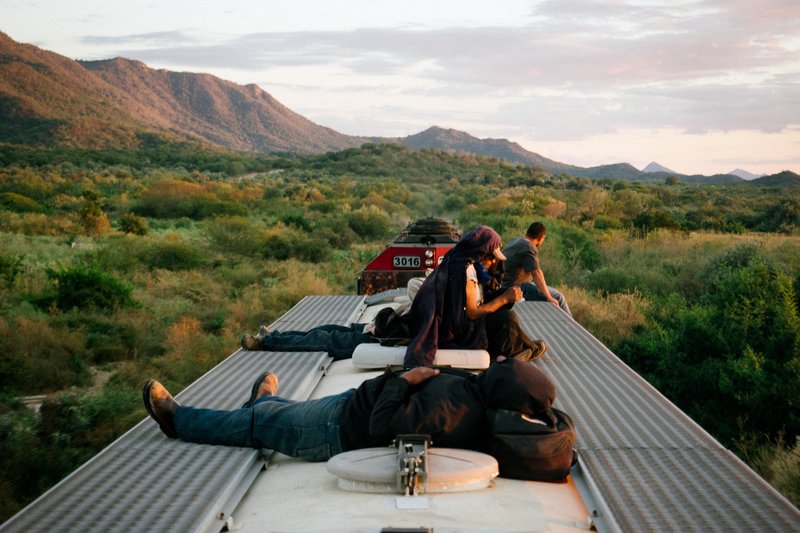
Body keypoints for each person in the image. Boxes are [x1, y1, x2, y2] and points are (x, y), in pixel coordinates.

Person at [142, 356, 557, 461]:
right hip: (348, 406)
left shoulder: (452, 411)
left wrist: (404, 381)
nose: (500, 364)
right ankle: (265, 401)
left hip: (336, 428)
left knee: (259, 425)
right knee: (276, 413)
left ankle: (179, 421)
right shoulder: (476, 396)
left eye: (507, 369)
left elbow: (381, 427)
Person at [404, 225, 544, 368]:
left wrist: (502, 295)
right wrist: (504, 299)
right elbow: (472, 312)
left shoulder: (456, 260)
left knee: (504, 311)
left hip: (452, 325)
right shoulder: (467, 272)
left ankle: (524, 347)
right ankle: (522, 350)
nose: (494, 262)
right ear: (481, 253)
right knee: (507, 319)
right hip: (463, 333)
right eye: (491, 257)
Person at [239, 277, 425, 359]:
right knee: (325, 329)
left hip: (384, 339)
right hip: (381, 328)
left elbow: (413, 285)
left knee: (322, 339)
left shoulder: (439, 304)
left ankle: (264, 343)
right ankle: (277, 336)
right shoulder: (438, 300)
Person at [501, 222, 572, 317]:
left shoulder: (516, 241)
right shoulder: (528, 247)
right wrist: (548, 297)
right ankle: (568, 328)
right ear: (540, 238)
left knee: (549, 291)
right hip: (515, 287)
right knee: (558, 297)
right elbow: (536, 273)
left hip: (506, 283)